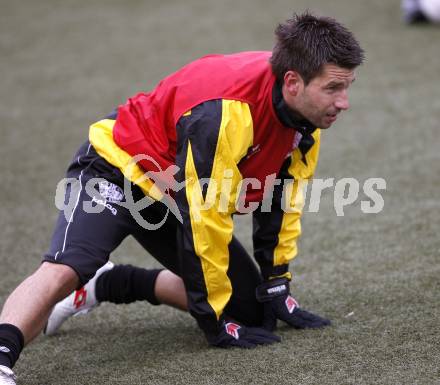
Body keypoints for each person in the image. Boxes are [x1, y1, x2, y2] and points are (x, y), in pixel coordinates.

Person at [0, 12, 364, 384]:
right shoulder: (226, 112)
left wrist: (275, 282)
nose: (344, 102)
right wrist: (213, 320)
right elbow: (206, 216)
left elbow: (283, 199)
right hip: (117, 166)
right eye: (333, 88)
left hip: (174, 190)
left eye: (347, 87)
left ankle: (109, 283)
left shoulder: (304, 116)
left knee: (251, 311)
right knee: (66, 268)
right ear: (292, 82)